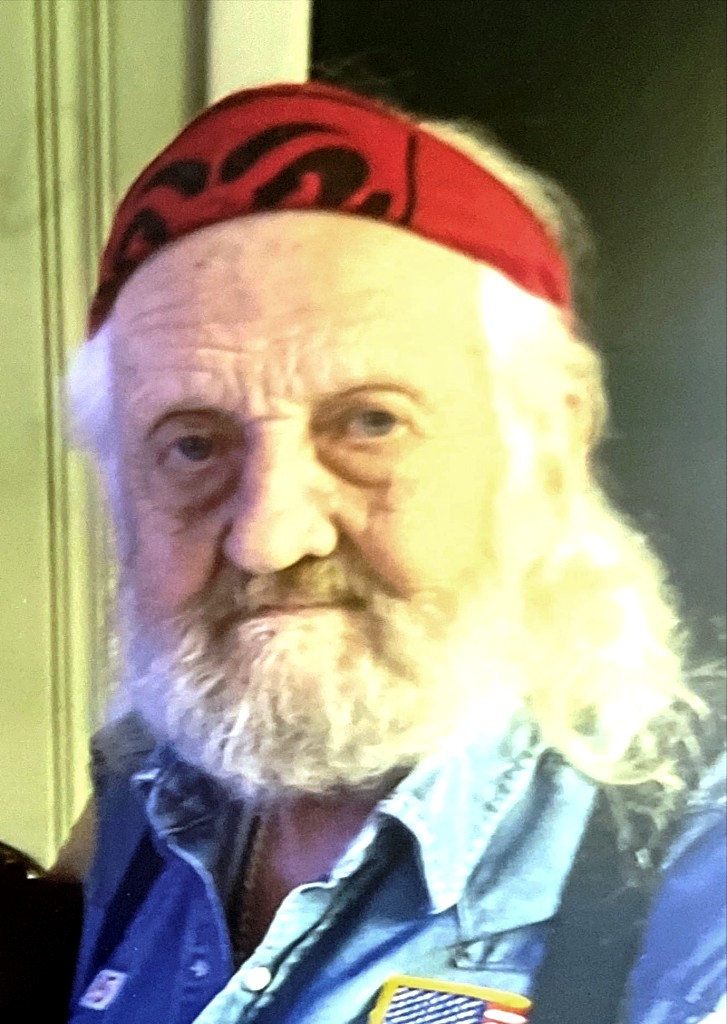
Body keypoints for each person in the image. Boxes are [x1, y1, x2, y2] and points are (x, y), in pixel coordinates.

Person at [59, 81, 725, 1023]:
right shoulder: (138, 792)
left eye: (369, 422)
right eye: (193, 446)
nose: (269, 538)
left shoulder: (695, 861)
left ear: (548, 450)